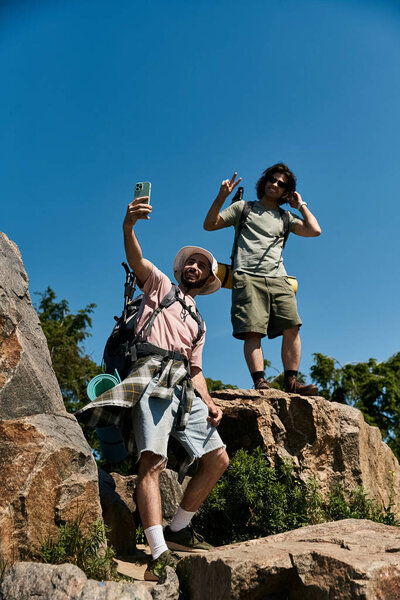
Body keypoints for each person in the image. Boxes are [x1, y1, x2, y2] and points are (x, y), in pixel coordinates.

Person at [76, 194, 229, 582]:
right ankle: (158, 553)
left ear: (209, 277)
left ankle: (179, 529)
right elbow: (137, 261)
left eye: (202, 265)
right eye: (190, 262)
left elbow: (196, 369)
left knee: (218, 460)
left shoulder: (200, 321)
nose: (194, 266)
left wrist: (210, 402)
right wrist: (129, 227)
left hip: (185, 388)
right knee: (152, 463)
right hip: (153, 375)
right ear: (181, 270)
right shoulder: (160, 286)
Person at [203, 162, 321, 395]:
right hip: (246, 276)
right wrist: (221, 198)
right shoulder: (243, 208)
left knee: (292, 327)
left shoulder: (286, 217)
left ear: (287, 191)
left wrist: (301, 205)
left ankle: (292, 382)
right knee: (253, 331)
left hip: (279, 277)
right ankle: (260, 382)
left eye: (281, 184)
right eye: (272, 180)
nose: (275, 184)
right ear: (264, 181)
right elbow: (209, 225)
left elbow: (314, 230)